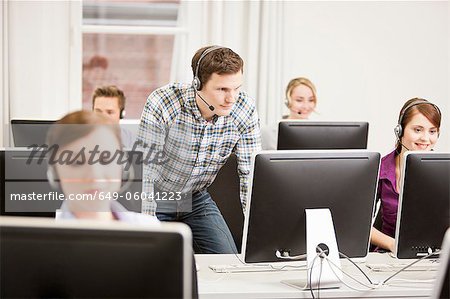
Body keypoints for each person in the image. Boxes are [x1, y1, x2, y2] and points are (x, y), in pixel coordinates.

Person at [136, 45, 261, 254]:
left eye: (236, 88)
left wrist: (257, 233)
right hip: (157, 197)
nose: (231, 98)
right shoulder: (164, 102)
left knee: (227, 261)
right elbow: (145, 172)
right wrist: (147, 230)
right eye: (222, 89)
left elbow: (250, 175)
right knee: (153, 262)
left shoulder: (244, 110)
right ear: (198, 83)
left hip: (196, 197)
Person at [45, 110, 158, 223]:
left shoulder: (152, 228)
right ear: (55, 173)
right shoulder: (39, 238)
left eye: (106, 160)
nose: (95, 175)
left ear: (122, 167)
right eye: (77, 162)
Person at [370, 98, 442, 252]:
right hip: (388, 256)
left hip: (433, 257)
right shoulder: (380, 168)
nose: (425, 138)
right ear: (400, 130)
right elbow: (357, 223)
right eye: (417, 129)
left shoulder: (444, 171)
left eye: (432, 131)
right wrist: (392, 245)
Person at [261, 77, 318, 150]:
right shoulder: (268, 133)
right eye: (299, 100)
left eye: (311, 100)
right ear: (287, 101)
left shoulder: (317, 133)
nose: (306, 106)